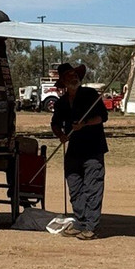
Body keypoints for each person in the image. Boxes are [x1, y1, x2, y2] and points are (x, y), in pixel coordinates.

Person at [50, 62, 108, 240]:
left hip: (92, 148)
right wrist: (60, 135)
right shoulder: (61, 103)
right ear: (63, 81)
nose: (73, 77)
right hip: (74, 149)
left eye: (74, 74)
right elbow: (55, 123)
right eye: (68, 75)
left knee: (92, 187)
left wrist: (84, 124)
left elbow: (102, 117)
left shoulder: (90, 95)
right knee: (74, 187)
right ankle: (82, 221)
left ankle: (91, 227)